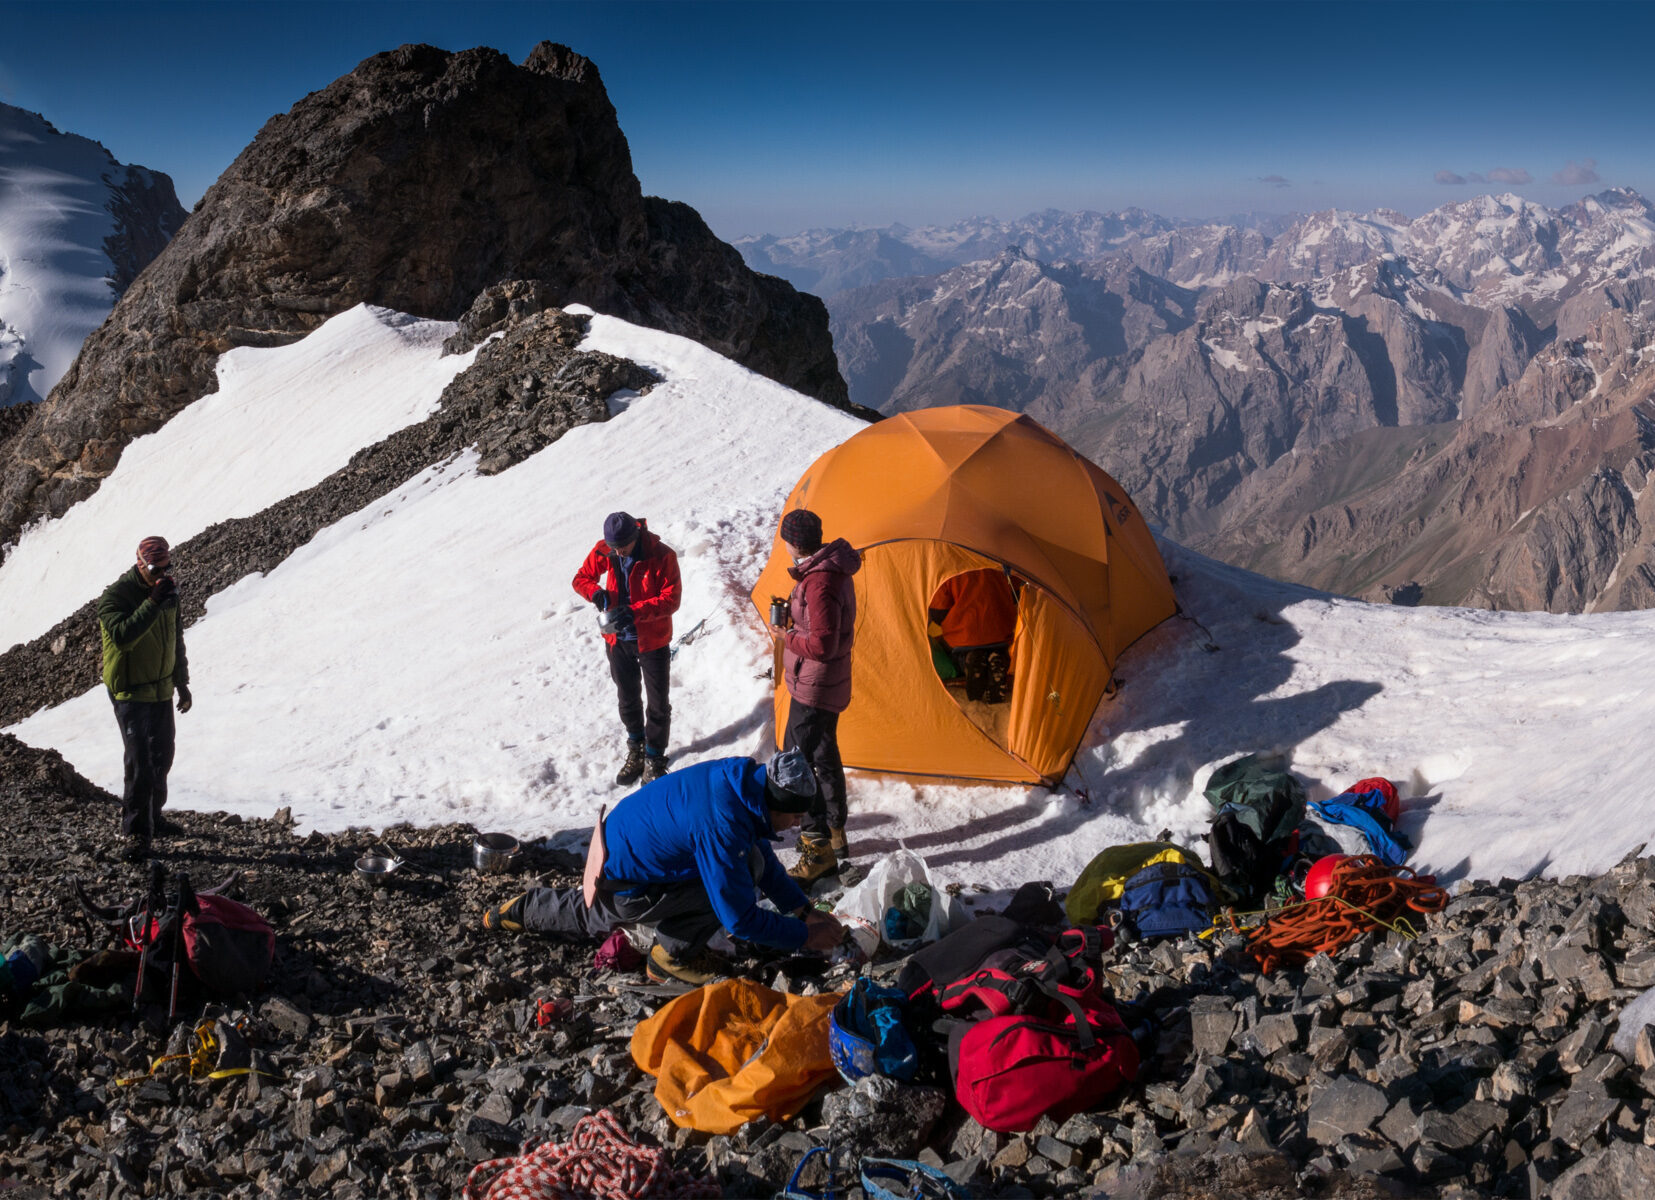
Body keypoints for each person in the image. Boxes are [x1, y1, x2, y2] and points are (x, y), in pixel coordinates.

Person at [481, 749, 845, 985]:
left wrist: (803, 911)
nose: (797, 824)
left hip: (624, 839)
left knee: (746, 865)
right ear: (776, 801)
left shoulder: (742, 783)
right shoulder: (724, 822)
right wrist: (804, 936)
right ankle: (667, 957)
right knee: (589, 914)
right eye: (795, 815)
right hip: (620, 875)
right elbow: (739, 919)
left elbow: (761, 856)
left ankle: (665, 949)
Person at [768, 508, 862, 885]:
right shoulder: (829, 571)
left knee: (797, 763)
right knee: (824, 754)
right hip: (824, 681)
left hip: (815, 684)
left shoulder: (819, 582)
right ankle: (835, 835)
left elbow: (821, 644)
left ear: (793, 543)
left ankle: (816, 847)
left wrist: (785, 637)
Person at [98, 536, 192, 862]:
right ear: (140, 564)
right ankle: (136, 834)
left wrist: (182, 683)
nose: (163, 573)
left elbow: (175, 639)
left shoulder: (168, 590)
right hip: (130, 689)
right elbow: (122, 637)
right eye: (156, 568)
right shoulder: (115, 596)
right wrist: (152, 603)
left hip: (161, 688)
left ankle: (155, 817)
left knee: (162, 756)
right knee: (139, 762)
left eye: (167, 567)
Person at [573, 512, 682, 785]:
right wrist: (595, 593)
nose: (618, 552)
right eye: (614, 548)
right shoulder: (605, 551)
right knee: (627, 697)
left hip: (652, 640)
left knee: (658, 703)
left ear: (635, 537)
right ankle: (636, 749)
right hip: (617, 640)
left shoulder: (661, 555)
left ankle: (655, 758)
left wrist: (634, 613)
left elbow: (671, 600)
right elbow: (581, 578)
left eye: (623, 547)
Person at [928, 568, 1018, 703]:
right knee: (1000, 649)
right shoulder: (1000, 559)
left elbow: (938, 611)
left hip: (965, 635)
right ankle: (998, 660)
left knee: (956, 652)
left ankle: (970, 663)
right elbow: (1015, 594)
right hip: (999, 630)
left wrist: (955, 620)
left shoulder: (948, 566)